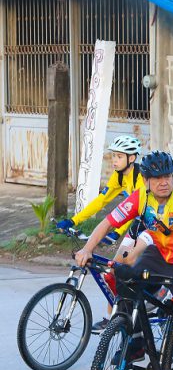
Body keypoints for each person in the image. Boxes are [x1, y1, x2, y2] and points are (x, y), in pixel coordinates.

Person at [74, 151, 173, 370]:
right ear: (146, 181)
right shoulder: (140, 198)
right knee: (125, 278)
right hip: (160, 254)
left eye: (167, 176)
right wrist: (87, 249)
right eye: (157, 178)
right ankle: (136, 342)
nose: (163, 182)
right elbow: (108, 222)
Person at [55, 135, 146, 334]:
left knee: (129, 264)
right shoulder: (119, 176)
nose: (114, 160)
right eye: (113, 156)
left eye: (119, 156)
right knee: (114, 271)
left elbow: (134, 209)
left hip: (147, 226)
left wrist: (117, 233)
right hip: (134, 225)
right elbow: (100, 201)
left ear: (131, 158)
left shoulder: (141, 178)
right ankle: (113, 318)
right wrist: (74, 220)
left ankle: (146, 302)